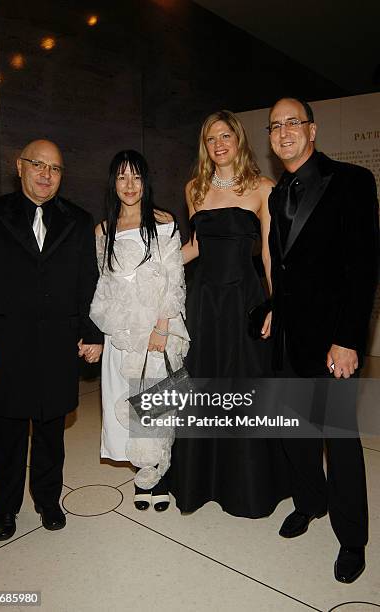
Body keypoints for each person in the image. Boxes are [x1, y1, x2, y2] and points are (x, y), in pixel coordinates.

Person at [267, 97, 379, 583]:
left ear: (312, 131)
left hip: (334, 341)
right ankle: (309, 502)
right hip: (290, 338)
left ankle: (352, 537)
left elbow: (363, 270)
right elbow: (284, 267)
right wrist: (272, 310)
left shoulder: (352, 182)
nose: (284, 130)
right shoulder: (276, 195)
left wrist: (350, 339)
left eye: (293, 122)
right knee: (295, 433)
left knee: (339, 438)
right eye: (275, 125)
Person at [0, 140, 103, 540]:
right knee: (5, 436)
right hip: (3, 347)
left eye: (56, 168)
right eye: (38, 165)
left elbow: (88, 284)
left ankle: (48, 501)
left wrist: (92, 332)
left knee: (50, 434)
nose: (46, 174)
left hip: (56, 348)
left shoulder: (79, 222)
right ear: (19, 166)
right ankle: (6, 510)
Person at [169, 110, 290, 516]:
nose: (219, 144)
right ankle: (201, 479)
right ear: (204, 146)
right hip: (203, 301)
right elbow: (196, 247)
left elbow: (271, 253)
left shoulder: (263, 187)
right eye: (210, 139)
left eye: (225, 136)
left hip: (244, 299)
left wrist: (276, 302)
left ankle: (250, 484)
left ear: (239, 139)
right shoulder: (195, 188)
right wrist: (149, 265)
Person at [90, 150, 189, 512]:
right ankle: (141, 474)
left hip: (158, 329)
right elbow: (105, 284)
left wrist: (162, 328)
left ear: (145, 182)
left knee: (157, 401)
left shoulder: (163, 221)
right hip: (121, 332)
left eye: (136, 177)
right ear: (113, 183)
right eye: (121, 177)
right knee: (130, 401)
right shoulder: (103, 230)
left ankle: (159, 476)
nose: (129, 185)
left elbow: (174, 279)